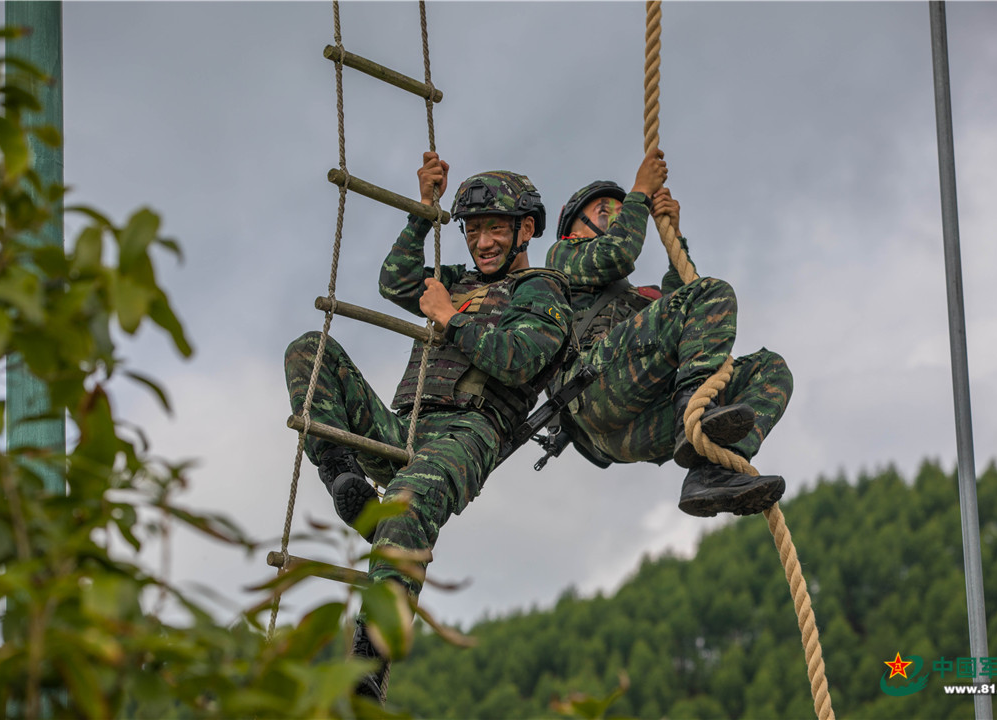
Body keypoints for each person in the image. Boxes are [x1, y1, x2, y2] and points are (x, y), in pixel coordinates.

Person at [284, 152, 570, 703]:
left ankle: (368, 666)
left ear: (525, 230)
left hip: (468, 435)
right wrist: (423, 213)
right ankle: (345, 479)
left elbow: (521, 361)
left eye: (495, 230)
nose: (483, 243)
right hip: (406, 424)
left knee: (411, 503)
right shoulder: (456, 280)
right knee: (310, 351)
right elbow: (394, 282)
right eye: (474, 231)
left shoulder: (541, 291)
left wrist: (450, 317)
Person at [544, 148, 793, 518]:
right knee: (713, 291)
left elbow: (685, 305)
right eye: (604, 212)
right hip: (591, 391)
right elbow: (617, 254)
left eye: (620, 210)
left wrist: (673, 235)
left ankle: (714, 469)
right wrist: (640, 192)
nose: (617, 217)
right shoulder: (562, 258)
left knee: (770, 369)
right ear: (575, 228)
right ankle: (692, 412)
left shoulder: (637, 301)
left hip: (635, 429)